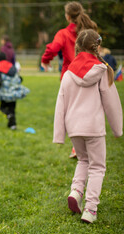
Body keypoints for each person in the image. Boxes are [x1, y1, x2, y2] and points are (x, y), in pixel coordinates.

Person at [53, 29, 123, 223]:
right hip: (93, 127)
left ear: (77, 47)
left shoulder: (68, 74)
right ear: (97, 46)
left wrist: (59, 134)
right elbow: (112, 102)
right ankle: (90, 209)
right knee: (98, 167)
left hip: (74, 127)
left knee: (83, 160)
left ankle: (76, 191)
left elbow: (61, 104)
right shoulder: (102, 70)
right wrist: (118, 129)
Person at [41, 1, 97, 158]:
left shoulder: (63, 34)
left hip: (71, 77)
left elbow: (53, 48)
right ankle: (89, 144)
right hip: (91, 74)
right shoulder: (90, 30)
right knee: (89, 109)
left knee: (72, 112)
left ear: (67, 16)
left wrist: (45, 60)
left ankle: (76, 147)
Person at [0, 52, 29, 130]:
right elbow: (20, 78)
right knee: (12, 109)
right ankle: (13, 125)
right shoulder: (11, 65)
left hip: (5, 93)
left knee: (1, 108)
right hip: (14, 92)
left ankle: (8, 115)